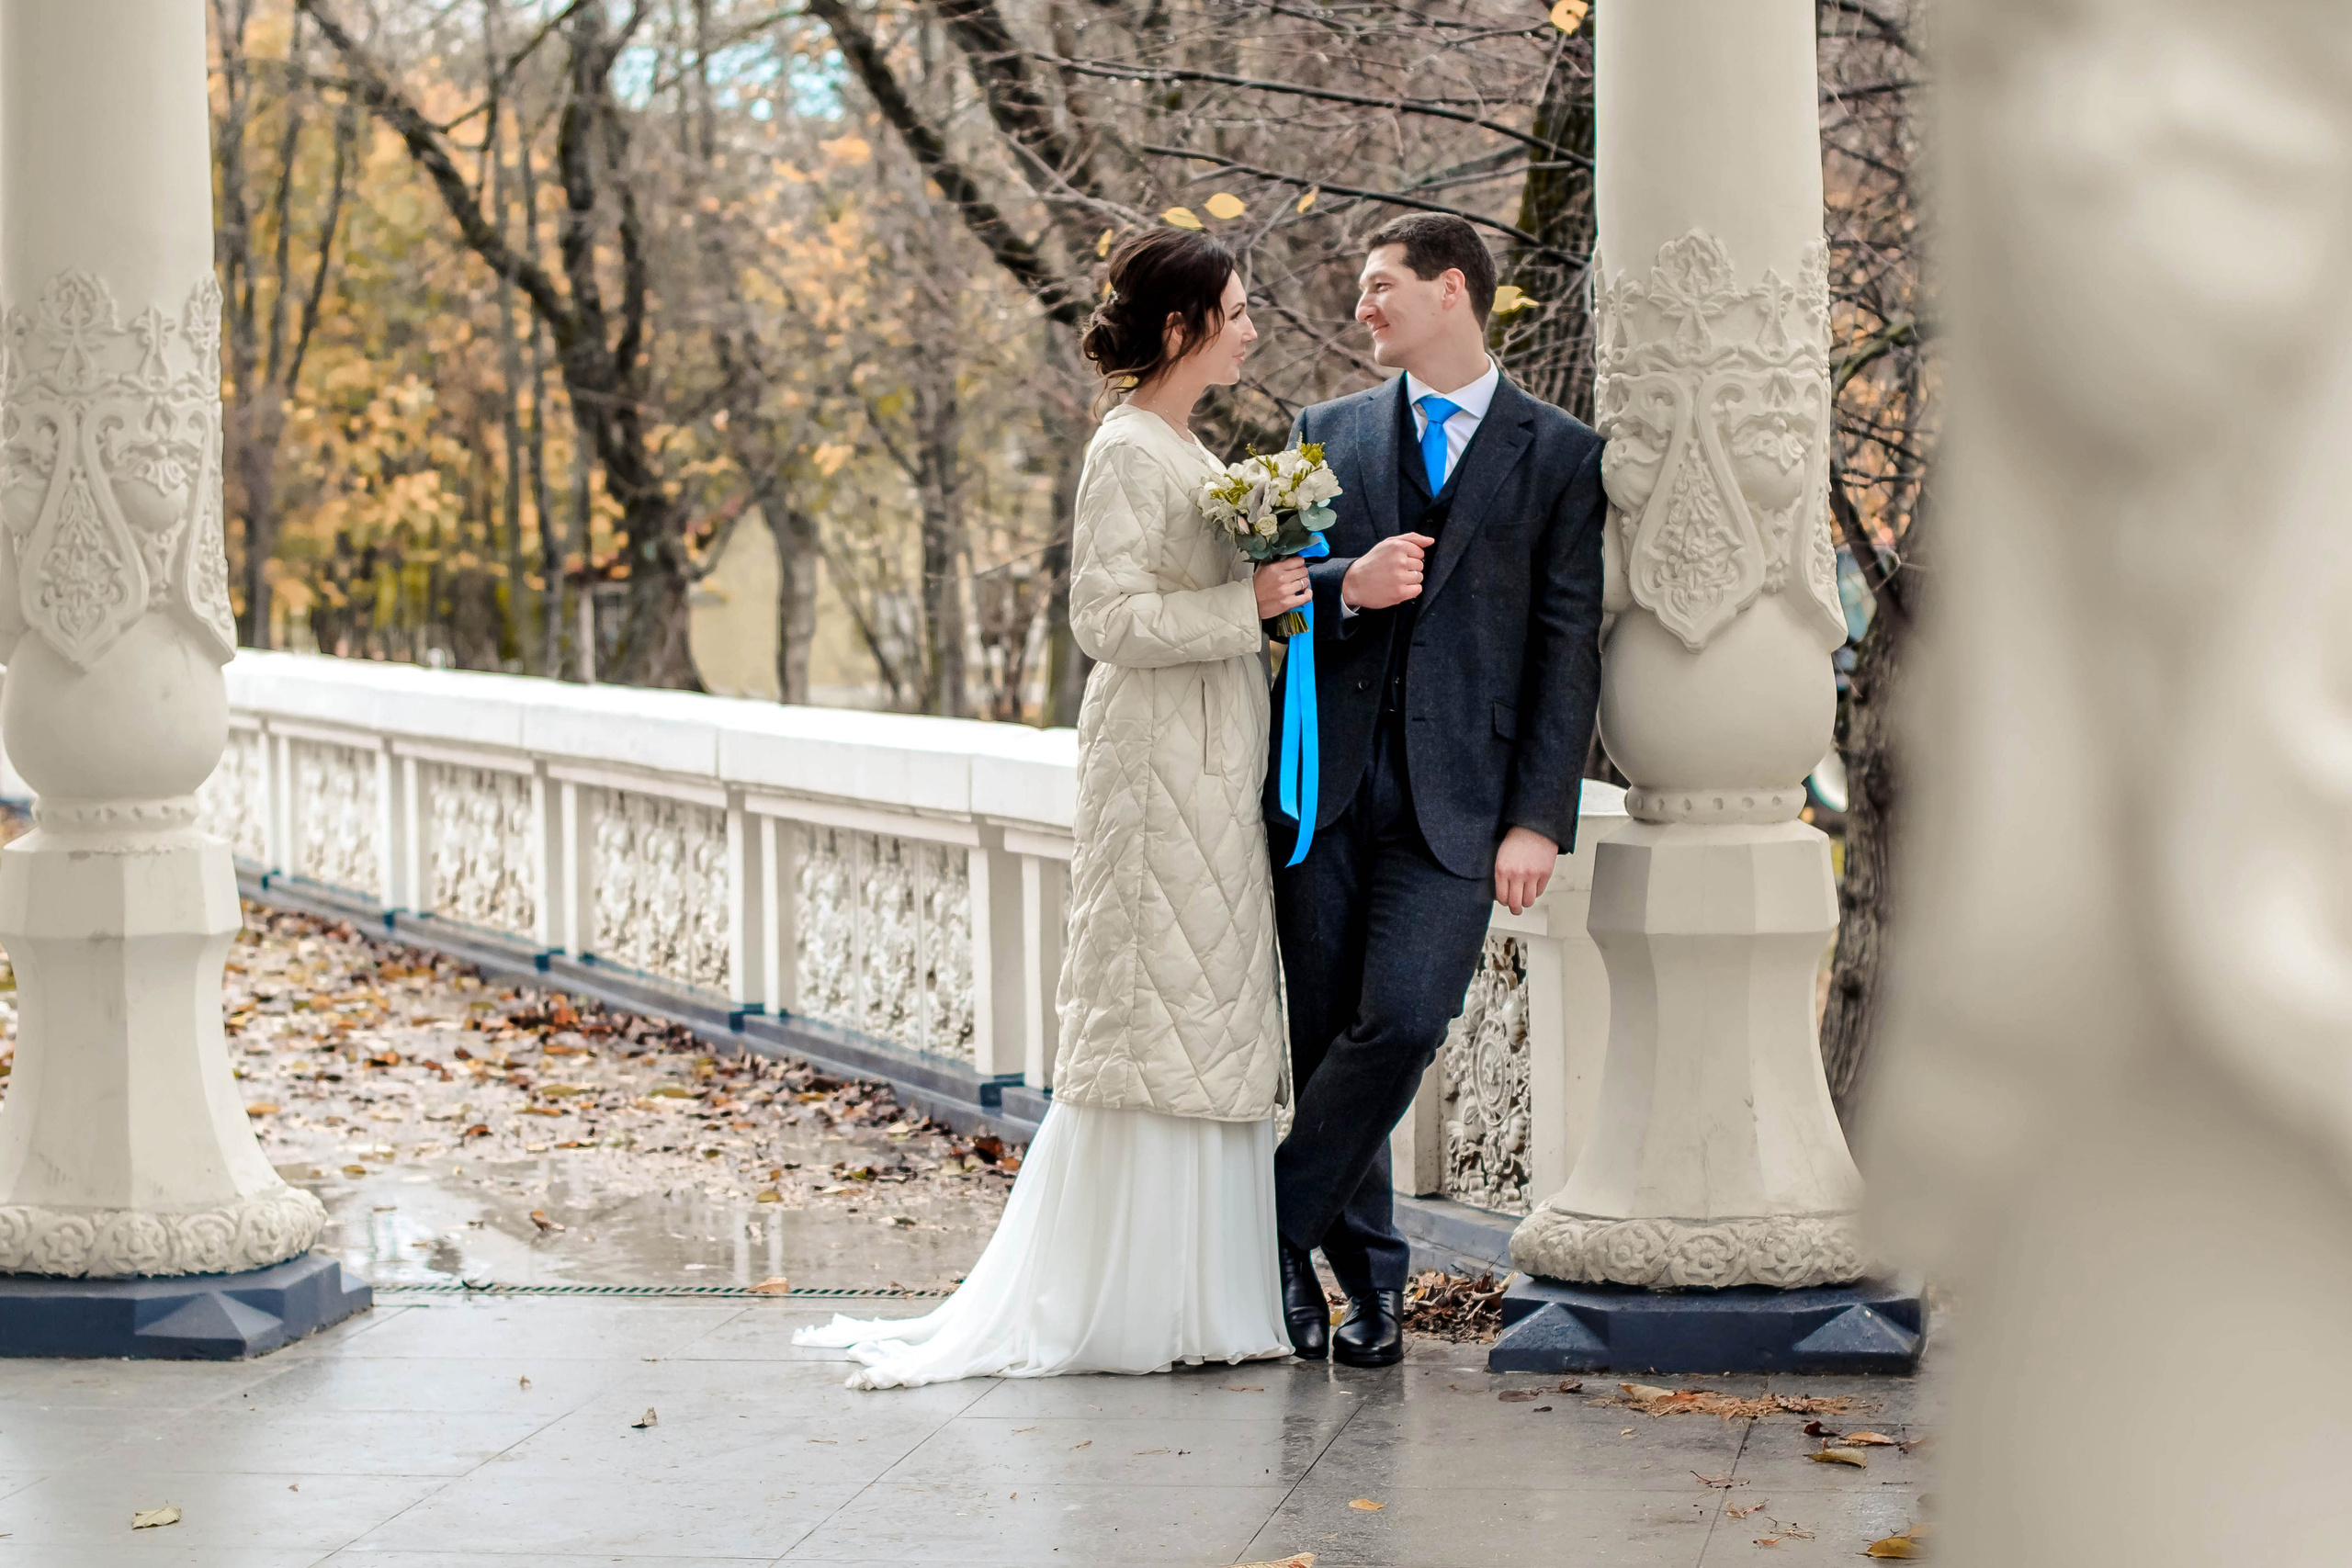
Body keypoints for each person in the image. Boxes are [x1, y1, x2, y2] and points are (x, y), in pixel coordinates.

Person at [797, 229, 1310, 1388]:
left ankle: (1196, 1298)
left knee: (1207, 1006)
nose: (1251, 326)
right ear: (1180, 327)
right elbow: (1109, 621)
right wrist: (1254, 608)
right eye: (1234, 309)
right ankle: (1124, 1302)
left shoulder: (1184, 445)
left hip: (1212, 762)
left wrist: (1265, 599)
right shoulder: (1127, 451)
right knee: (1153, 1006)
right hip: (1156, 772)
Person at [1263, 215, 1608, 1367]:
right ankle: (1359, 1292)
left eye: (1379, 287)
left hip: (1463, 807)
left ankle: (1265, 1231)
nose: (1362, 307)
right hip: (1323, 791)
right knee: (1326, 1041)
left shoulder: (1558, 452)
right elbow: (1271, 586)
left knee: (1405, 1020)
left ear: (1449, 290)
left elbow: (1567, 645)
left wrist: (1535, 816)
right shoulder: (1327, 431)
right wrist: (1343, 582)